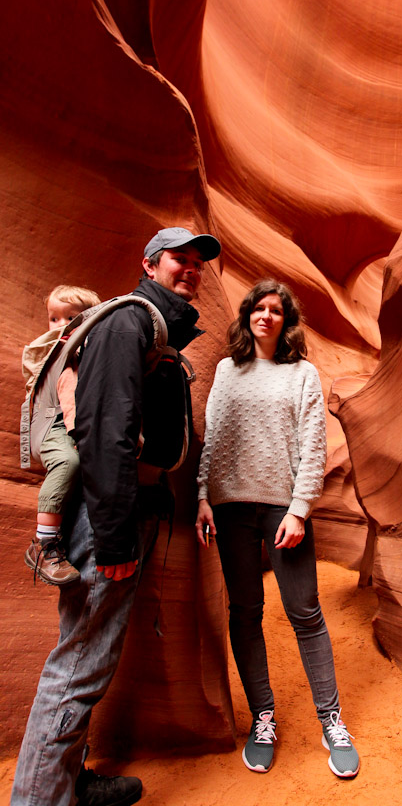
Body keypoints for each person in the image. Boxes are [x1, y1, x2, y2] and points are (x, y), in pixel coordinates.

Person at [12, 226, 221, 806]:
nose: (191, 270)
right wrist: (115, 541)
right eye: (179, 260)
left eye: (197, 263)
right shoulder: (127, 322)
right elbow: (104, 433)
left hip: (124, 510)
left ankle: (68, 781)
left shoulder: (152, 329)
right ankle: (38, 799)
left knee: (83, 654)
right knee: (79, 666)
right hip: (108, 522)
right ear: (150, 265)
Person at [195, 278, 360, 780]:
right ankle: (262, 717)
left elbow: (314, 444)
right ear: (247, 317)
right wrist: (202, 495)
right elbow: (214, 436)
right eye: (258, 308)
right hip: (229, 507)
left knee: (305, 611)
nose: (265, 316)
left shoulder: (303, 374)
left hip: (281, 509)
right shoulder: (227, 370)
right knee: (244, 612)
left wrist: (300, 509)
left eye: (275, 310)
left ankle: (331, 720)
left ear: (286, 321)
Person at [24, 284, 101, 587]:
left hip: (68, 424)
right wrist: (80, 435)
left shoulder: (86, 353)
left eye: (71, 318)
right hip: (56, 427)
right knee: (69, 462)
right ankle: (43, 545)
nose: (61, 325)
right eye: (54, 319)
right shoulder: (61, 357)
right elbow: (69, 402)